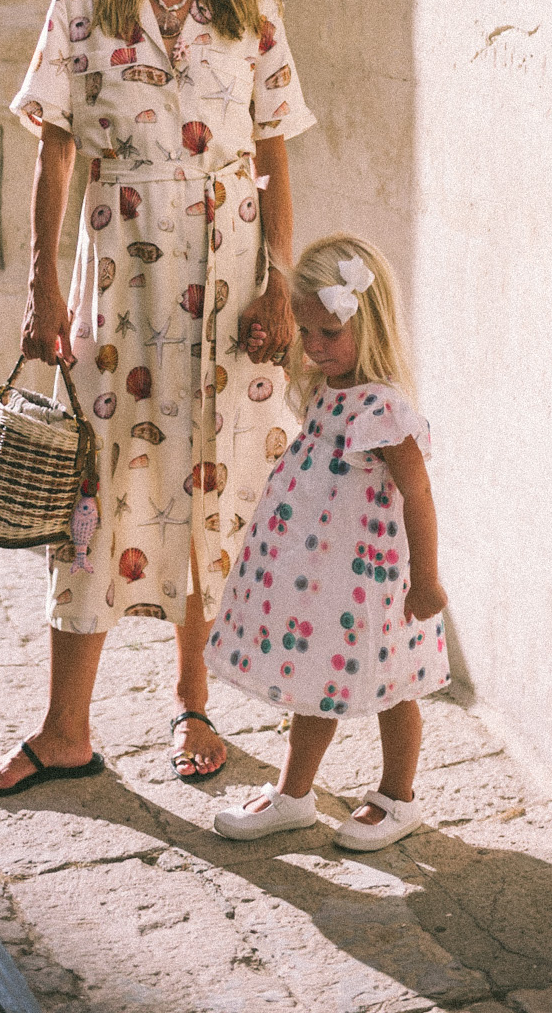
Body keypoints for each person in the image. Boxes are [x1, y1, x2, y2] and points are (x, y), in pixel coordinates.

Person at [0, 0, 316, 798]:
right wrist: (41, 290)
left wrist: (279, 290)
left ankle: (194, 701)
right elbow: (55, 155)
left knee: (209, 482)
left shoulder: (252, 11)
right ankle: (65, 729)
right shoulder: (82, 6)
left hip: (234, 277)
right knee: (99, 490)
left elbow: (279, 157)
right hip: (121, 283)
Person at [205, 234, 450, 850]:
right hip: (322, 579)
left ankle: (398, 797)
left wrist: (427, 579)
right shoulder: (324, 393)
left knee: (395, 688)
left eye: (329, 335)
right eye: (307, 333)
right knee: (314, 679)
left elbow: (417, 497)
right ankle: (293, 794)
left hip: (373, 584)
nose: (314, 348)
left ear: (367, 327)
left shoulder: (385, 410)